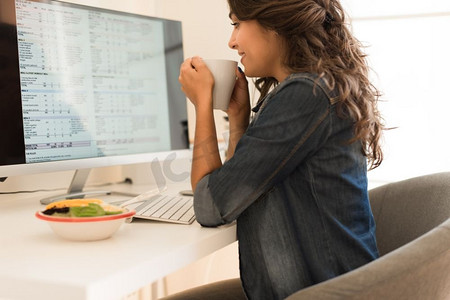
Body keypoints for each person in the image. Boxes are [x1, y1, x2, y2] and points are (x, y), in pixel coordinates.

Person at [177, 0, 384, 299]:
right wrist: (238, 119)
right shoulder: (311, 88)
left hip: (323, 292)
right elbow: (234, 192)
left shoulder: (305, 94)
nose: (231, 42)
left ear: (274, 23)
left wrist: (203, 105)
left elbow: (210, 205)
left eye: (236, 24)